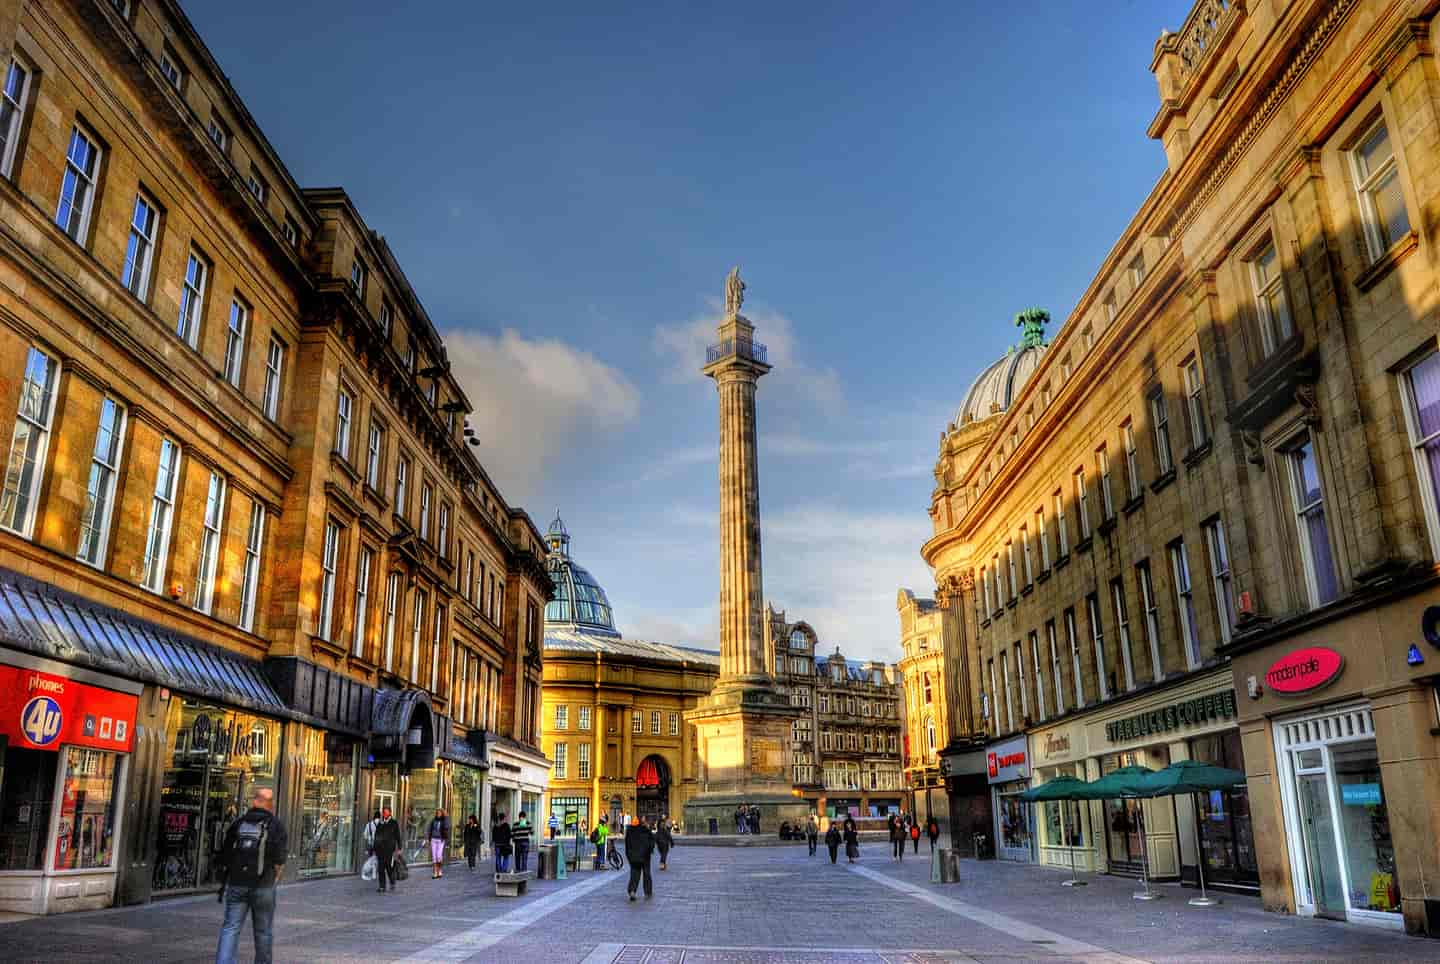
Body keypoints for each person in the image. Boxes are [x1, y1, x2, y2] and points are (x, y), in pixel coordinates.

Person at [214, 786, 288, 964]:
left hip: (237, 884)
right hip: (263, 886)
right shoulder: (276, 825)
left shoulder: (239, 823)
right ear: (270, 805)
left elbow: (224, 855)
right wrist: (275, 879)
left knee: (230, 928)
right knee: (263, 932)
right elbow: (279, 861)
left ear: (255, 802)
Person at [624, 815, 655, 901]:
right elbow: (652, 841)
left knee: (634, 874)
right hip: (645, 857)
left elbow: (627, 846)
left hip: (633, 857)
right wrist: (650, 850)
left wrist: (629, 856)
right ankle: (648, 892)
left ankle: (632, 891)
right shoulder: (645, 830)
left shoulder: (629, 832)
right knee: (646, 874)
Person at [372, 806, 402, 894]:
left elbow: (398, 836)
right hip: (380, 850)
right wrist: (374, 847)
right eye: (383, 812)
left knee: (389, 868)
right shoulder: (380, 823)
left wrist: (399, 848)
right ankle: (382, 886)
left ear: (390, 813)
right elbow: (376, 836)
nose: (384, 814)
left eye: (386, 812)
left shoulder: (394, 823)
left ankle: (392, 882)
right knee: (381, 869)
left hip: (390, 850)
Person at [427, 808, 450, 879]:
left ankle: (439, 870)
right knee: (434, 856)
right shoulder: (433, 820)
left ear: (442, 814)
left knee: (439, 856)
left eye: (439, 813)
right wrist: (428, 838)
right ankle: (435, 872)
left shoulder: (444, 821)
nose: (438, 814)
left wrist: (446, 817)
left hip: (440, 840)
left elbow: (447, 827)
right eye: (437, 813)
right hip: (433, 839)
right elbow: (429, 829)